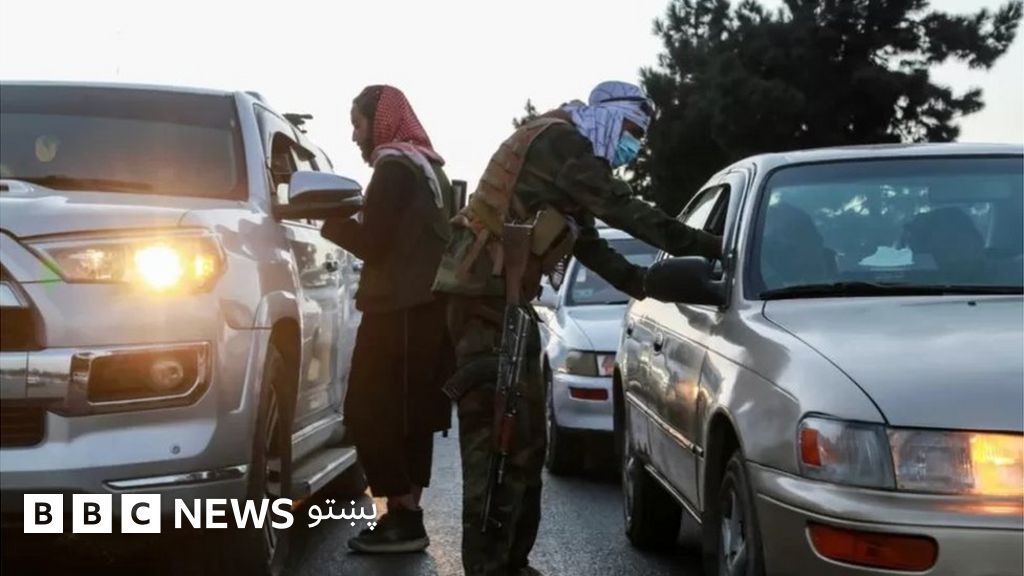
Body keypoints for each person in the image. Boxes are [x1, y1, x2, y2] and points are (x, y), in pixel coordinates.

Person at [432, 80, 722, 576]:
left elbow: (590, 244)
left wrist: (647, 284)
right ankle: (487, 568)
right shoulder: (562, 143)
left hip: (506, 302)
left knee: (527, 443)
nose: (633, 145)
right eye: (631, 131)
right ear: (606, 116)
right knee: (494, 444)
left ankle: (512, 562)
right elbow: (623, 210)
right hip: (481, 301)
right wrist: (712, 246)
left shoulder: (569, 162)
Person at [321, 85, 455, 554]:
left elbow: (374, 244)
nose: (355, 136)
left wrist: (329, 221)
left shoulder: (394, 167)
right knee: (412, 415)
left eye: (358, 124)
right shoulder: (430, 167)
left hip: (397, 311)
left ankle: (403, 515)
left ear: (380, 122)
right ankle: (406, 516)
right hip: (426, 311)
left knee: (366, 409)